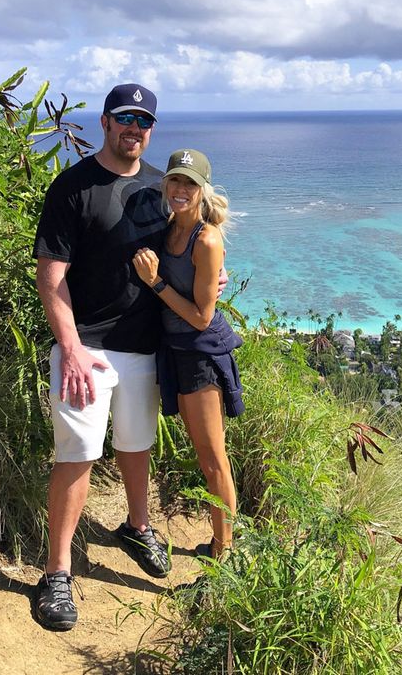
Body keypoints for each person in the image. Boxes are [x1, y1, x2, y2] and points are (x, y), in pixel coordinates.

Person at [32, 83, 172, 631]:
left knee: (136, 446)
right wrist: (69, 347)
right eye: (124, 118)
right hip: (85, 347)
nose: (134, 128)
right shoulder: (73, 187)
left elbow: (182, 249)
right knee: (79, 454)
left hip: (143, 345)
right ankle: (57, 572)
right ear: (106, 123)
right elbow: (51, 274)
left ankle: (136, 527)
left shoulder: (164, 187)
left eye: (144, 120)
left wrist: (211, 275)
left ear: (150, 129)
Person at [133, 148, 243, 559]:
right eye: (175, 181)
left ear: (202, 190)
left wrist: (156, 282)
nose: (181, 190)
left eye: (190, 184)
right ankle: (221, 544)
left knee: (213, 458)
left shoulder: (206, 239)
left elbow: (200, 317)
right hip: (176, 349)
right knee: (204, 454)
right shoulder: (168, 227)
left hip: (201, 351)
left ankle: (224, 554)